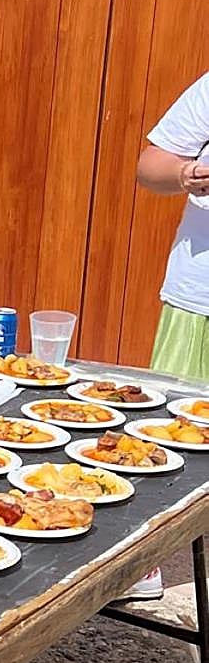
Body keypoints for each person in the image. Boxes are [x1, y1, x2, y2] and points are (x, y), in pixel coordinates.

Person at [125, 72, 209, 603]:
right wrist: (188, 173)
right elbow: (150, 167)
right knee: (172, 439)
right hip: (199, 295)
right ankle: (144, 564)